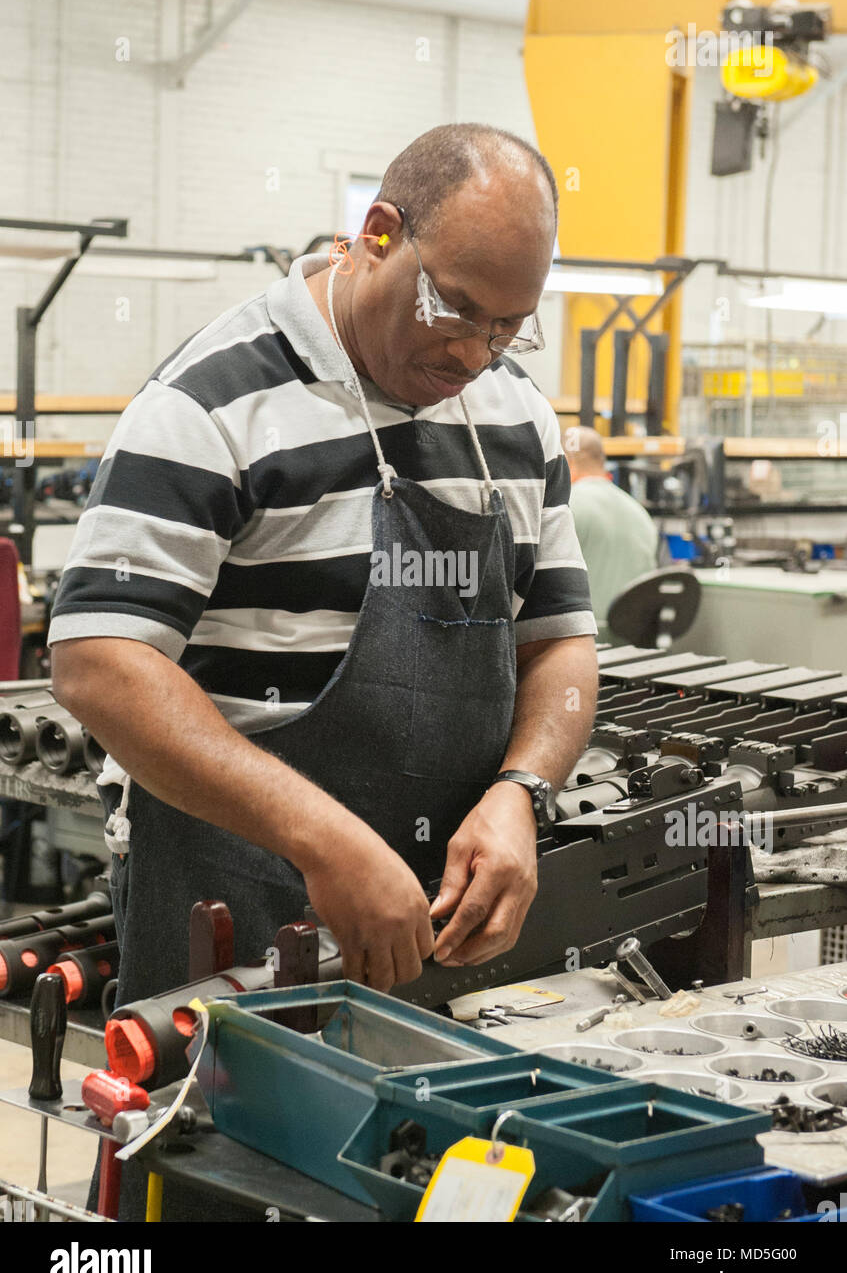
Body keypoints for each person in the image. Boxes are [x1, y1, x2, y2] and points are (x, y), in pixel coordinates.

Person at [49, 123, 599, 1010]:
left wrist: (521, 792)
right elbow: (98, 664)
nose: (471, 354)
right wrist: (322, 839)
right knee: (223, 1144)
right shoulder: (212, 402)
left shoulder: (515, 413)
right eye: (454, 308)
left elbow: (558, 642)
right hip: (236, 896)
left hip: (449, 911)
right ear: (378, 233)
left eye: (507, 327)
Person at [565, 426, 659, 634]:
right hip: (635, 640)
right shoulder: (640, 512)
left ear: (568, 462)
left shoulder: (565, 506)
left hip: (584, 643)